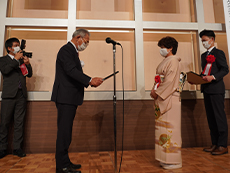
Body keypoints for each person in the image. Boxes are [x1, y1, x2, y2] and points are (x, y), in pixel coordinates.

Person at [51, 29, 103, 173]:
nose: (85, 45)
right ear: (78, 37)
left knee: (67, 132)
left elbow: (73, 72)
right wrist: (90, 80)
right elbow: (71, 71)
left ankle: (65, 162)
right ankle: (62, 167)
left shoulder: (72, 52)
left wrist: (89, 80)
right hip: (65, 97)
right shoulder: (66, 50)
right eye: (86, 42)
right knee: (64, 133)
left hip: (70, 97)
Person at [150, 36, 182, 170]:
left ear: (170, 48)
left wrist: (157, 92)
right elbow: (161, 80)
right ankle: (164, 158)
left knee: (171, 129)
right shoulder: (167, 61)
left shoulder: (173, 61)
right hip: (163, 96)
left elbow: (169, 82)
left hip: (169, 97)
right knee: (163, 128)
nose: (161, 50)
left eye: (163, 47)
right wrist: (155, 89)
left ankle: (173, 160)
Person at [0, 37, 33, 159]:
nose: (18, 47)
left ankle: (17, 148)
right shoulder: (3, 60)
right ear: (9, 48)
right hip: (9, 95)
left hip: (21, 95)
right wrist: (15, 59)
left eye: (19, 45)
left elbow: (28, 74)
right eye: (15, 45)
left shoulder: (21, 61)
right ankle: (2, 148)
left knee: (19, 122)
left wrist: (27, 64)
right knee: (4, 122)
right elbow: (6, 71)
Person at [199, 29, 229, 155]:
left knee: (219, 117)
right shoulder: (203, 55)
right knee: (211, 118)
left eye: (205, 40)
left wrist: (214, 77)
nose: (203, 43)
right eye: (202, 41)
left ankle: (222, 145)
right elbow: (205, 71)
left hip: (216, 90)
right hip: (206, 90)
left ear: (212, 40)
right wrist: (197, 79)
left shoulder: (219, 53)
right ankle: (215, 143)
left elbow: (225, 69)